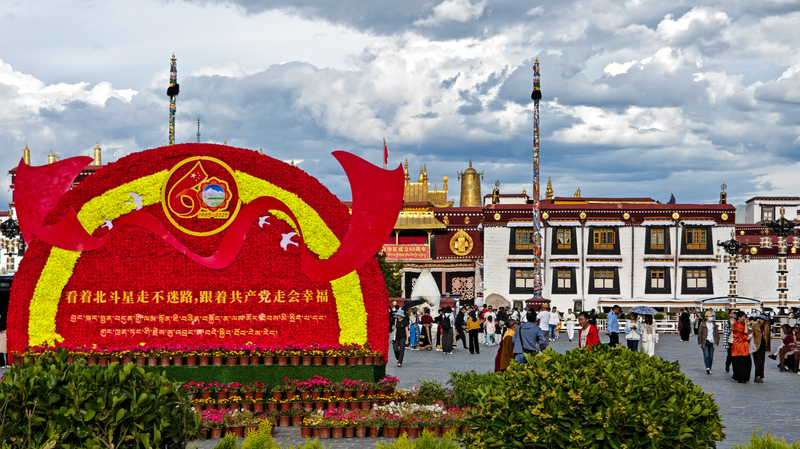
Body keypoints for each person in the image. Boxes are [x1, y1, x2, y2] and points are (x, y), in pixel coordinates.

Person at [731, 311, 752, 383]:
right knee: (740, 363)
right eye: (743, 317)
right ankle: (740, 377)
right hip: (739, 346)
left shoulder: (741, 324)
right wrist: (746, 323)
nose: (744, 318)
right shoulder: (736, 324)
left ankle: (745, 377)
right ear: (739, 317)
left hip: (744, 346)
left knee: (746, 362)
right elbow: (745, 331)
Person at [752, 314, 771, 383]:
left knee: (762, 361)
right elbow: (750, 333)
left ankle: (761, 375)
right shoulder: (755, 325)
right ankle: (757, 376)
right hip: (756, 346)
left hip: (763, 346)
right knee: (758, 361)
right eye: (759, 319)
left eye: (762, 319)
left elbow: (767, 335)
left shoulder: (767, 326)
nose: (760, 320)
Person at [722, 309, 736, 373]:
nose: (734, 314)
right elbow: (725, 334)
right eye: (733, 313)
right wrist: (725, 344)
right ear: (730, 314)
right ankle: (727, 364)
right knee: (730, 355)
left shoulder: (739, 322)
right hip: (730, 341)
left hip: (737, 342)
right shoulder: (728, 323)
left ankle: (735, 370)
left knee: (735, 357)